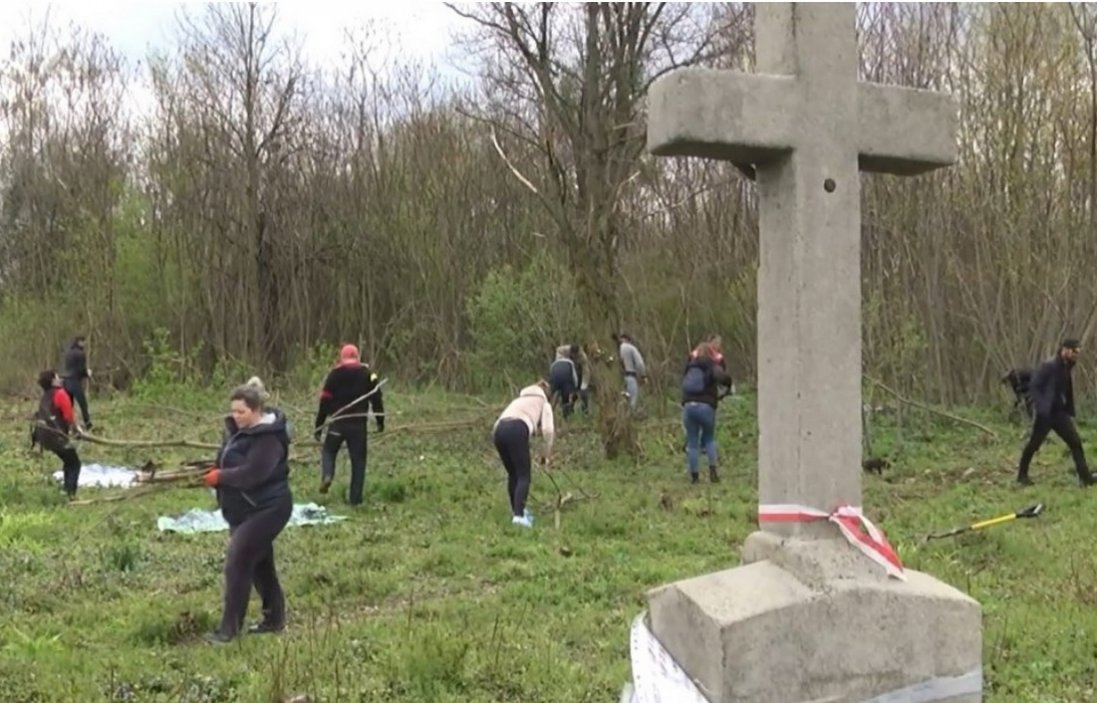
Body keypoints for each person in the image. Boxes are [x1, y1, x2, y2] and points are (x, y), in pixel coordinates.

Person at [202, 384, 293, 644]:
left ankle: (228, 630)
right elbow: (227, 458)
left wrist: (221, 476)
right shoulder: (238, 431)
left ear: (255, 411)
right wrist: (215, 467)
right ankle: (274, 618)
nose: (235, 416)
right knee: (261, 565)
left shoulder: (269, 439)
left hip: (269, 508)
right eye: (233, 411)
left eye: (241, 412)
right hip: (245, 509)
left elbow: (254, 473)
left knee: (238, 559)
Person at [1017, 338, 1096, 487]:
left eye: (1078, 353)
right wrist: (1041, 408)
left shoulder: (1067, 366)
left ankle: (1085, 478)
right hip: (1045, 414)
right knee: (1034, 444)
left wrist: (1068, 408)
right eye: (1074, 352)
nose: (1076, 356)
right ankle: (1022, 476)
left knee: (1075, 443)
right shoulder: (1049, 365)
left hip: (1059, 414)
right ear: (1065, 349)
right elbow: (1034, 387)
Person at [313, 344, 384, 505]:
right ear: (358, 356)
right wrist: (380, 421)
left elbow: (324, 401)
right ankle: (355, 499)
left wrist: (319, 426)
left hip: (338, 423)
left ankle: (327, 475)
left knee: (329, 451)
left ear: (341, 357)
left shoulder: (334, 374)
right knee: (358, 461)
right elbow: (377, 397)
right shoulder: (368, 374)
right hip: (358, 426)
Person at [492, 380, 555, 528]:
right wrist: (547, 453)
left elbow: (499, 422)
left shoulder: (519, 400)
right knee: (524, 475)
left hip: (499, 430)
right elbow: (548, 431)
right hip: (517, 428)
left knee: (513, 474)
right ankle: (519, 517)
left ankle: (517, 511)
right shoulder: (543, 403)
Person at [680, 341, 733, 484]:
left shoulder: (690, 365)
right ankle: (713, 471)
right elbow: (723, 378)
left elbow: (684, 381)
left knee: (692, 442)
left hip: (688, 406)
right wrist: (728, 385)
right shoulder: (712, 365)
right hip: (706, 407)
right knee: (709, 439)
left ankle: (695, 477)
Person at [31, 369, 82, 500]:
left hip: (44, 437)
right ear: (53, 381)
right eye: (58, 377)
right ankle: (70, 494)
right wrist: (77, 429)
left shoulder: (45, 396)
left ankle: (66, 491)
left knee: (68, 461)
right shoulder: (60, 394)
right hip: (57, 436)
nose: (61, 379)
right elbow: (69, 416)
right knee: (74, 463)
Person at [61, 336, 92, 430]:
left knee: (68, 405)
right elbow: (80, 370)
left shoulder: (68, 353)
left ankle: (67, 425)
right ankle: (87, 423)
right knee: (83, 403)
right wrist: (87, 373)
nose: (85, 344)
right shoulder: (80, 354)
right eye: (83, 342)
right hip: (74, 382)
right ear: (79, 342)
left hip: (66, 381)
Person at [613, 332, 647, 411]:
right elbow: (640, 363)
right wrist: (643, 376)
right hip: (631, 377)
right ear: (629, 340)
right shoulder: (631, 348)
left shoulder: (617, 349)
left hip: (620, 379)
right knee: (632, 400)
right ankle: (630, 418)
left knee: (623, 400)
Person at [549, 344, 581, 418]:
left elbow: (551, 373)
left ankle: (548, 412)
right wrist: (575, 388)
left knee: (550, 396)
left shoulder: (554, 364)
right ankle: (566, 416)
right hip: (566, 380)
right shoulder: (570, 363)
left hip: (554, 378)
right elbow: (574, 377)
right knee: (565, 398)